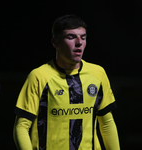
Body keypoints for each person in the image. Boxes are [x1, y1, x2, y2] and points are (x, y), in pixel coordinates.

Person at [13, 14, 120, 150]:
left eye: (83, 37)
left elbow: (106, 123)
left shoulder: (97, 74)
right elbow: (21, 126)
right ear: (55, 43)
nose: (79, 42)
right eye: (71, 37)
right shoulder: (38, 76)